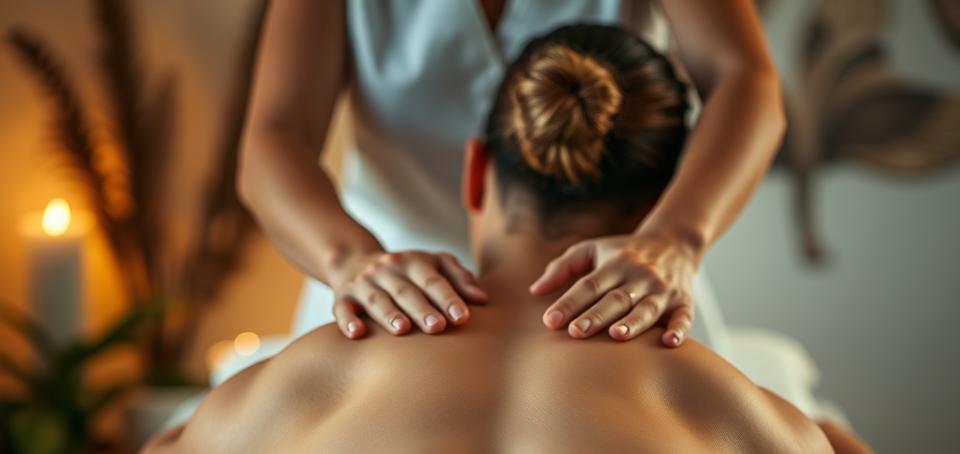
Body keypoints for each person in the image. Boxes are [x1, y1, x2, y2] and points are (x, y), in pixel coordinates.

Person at [128, 24, 892, 454]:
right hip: (394, 280)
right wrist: (806, 425)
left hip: (378, 323)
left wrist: (680, 240)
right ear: (656, 196)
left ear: (474, 174)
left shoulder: (292, 393)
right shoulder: (734, 419)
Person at [237, 0, 785, 353]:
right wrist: (348, 259)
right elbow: (275, 135)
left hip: (623, 285)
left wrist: (677, 239)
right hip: (385, 287)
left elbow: (745, 79)